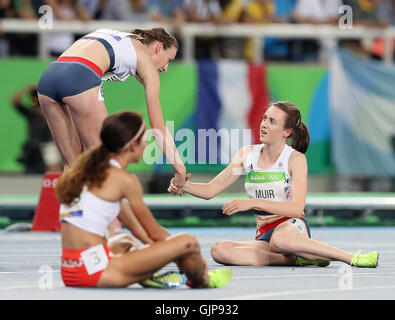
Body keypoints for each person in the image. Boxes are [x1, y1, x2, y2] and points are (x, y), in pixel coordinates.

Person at [169, 101, 379, 268]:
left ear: (287, 132)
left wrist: (252, 203)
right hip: (265, 235)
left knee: (281, 241)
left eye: (272, 122)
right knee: (219, 250)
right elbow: (211, 189)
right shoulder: (245, 156)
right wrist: (182, 186)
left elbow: (297, 208)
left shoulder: (295, 160)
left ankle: (350, 256)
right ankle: (296, 259)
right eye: (264, 118)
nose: (264, 124)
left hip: (291, 227)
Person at [56, 110, 232, 288]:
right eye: (145, 140)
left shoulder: (85, 171)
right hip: (95, 273)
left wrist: (157, 255)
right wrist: (187, 255)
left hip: (71, 271)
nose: (147, 145)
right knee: (188, 242)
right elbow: (154, 232)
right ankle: (202, 279)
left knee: (124, 242)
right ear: (132, 145)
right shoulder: (124, 180)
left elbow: (139, 232)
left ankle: (148, 276)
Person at [37, 27, 187, 193]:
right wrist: (180, 169)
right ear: (159, 47)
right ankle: (109, 219)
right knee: (107, 163)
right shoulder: (145, 60)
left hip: (48, 78)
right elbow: (158, 128)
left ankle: (66, 218)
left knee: (73, 166)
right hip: (80, 75)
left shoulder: (117, 36)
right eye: (169, 60)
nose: (165, 69)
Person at [12, 84, 62, 173]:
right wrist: (29, 88)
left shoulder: (56, 115)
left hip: (51, 150)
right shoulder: (31, 115)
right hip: (33, 153)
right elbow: (15, 101)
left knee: (53, 173)